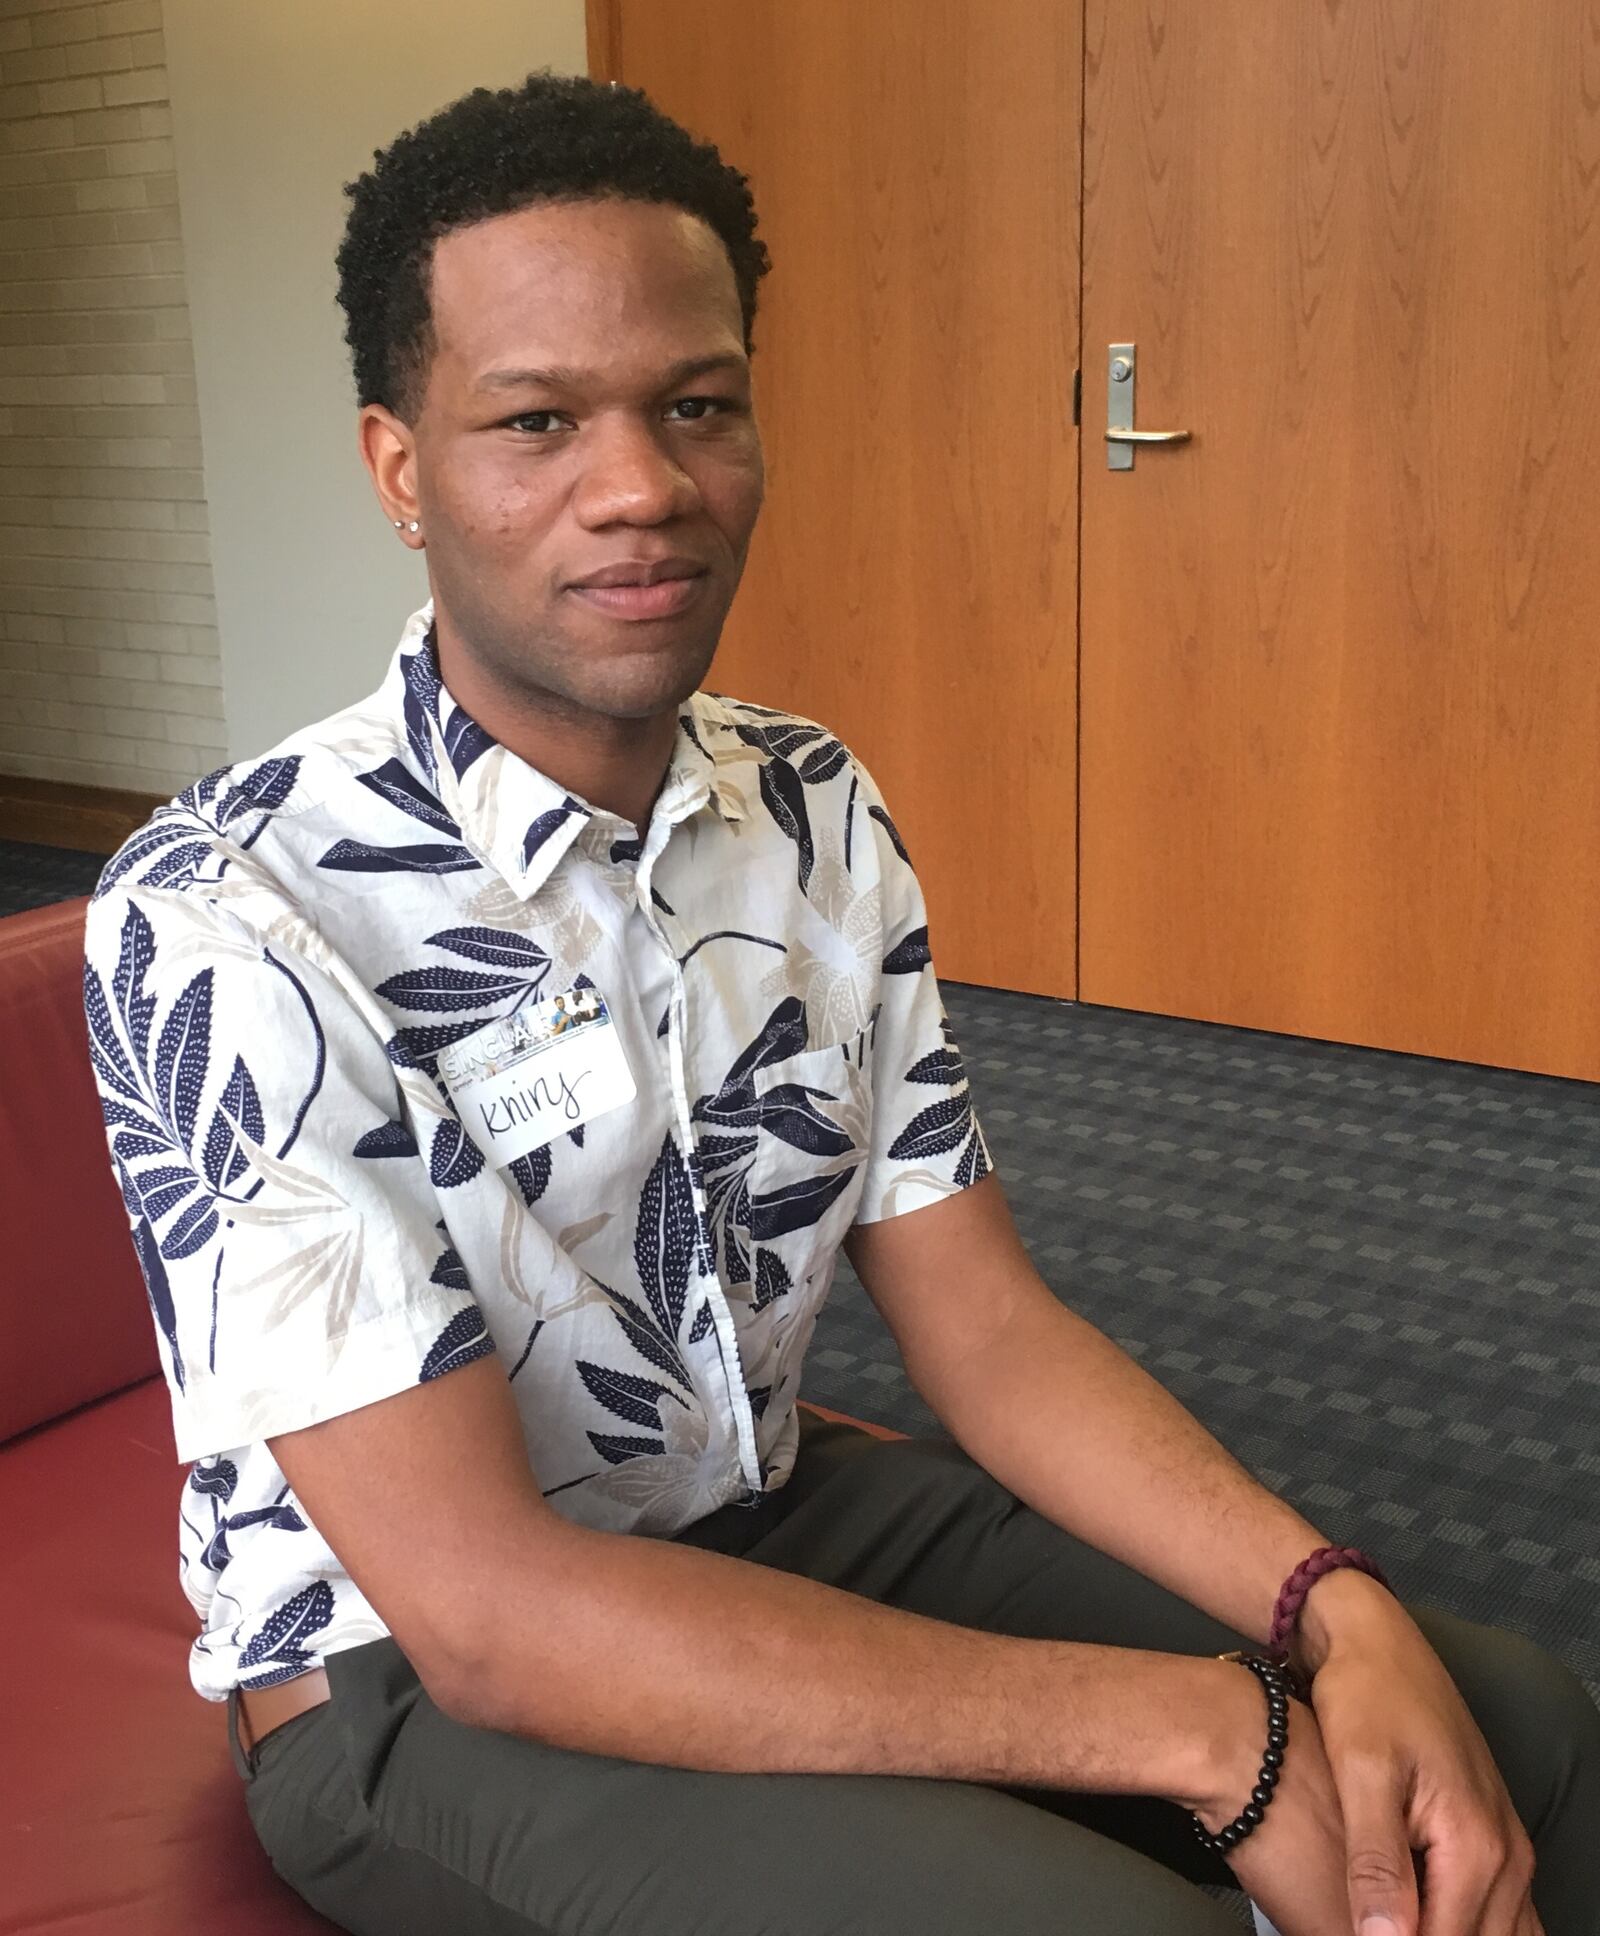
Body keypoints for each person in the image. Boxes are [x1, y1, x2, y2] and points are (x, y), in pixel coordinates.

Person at [83, 72, 1598, 1936]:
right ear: (403, 469)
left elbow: (988, 1331)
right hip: (407, 1688)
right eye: (536, 420)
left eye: (697, 407)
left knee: (1507, 1727)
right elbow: (486, 1614)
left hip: (766, 1522)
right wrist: (1214, 1734)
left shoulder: (804, 803)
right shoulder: (228, 915)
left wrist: (1323, 1607)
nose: (639, 486)